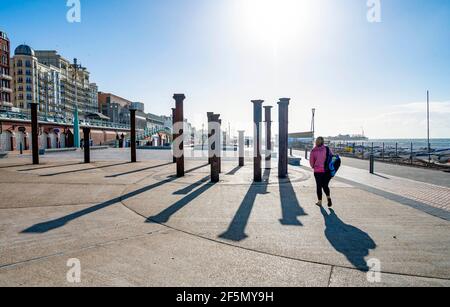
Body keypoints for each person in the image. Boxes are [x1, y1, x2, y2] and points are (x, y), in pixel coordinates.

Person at [310, 137, 333, 207]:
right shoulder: (327, 149)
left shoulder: (314, 150)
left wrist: (314, 166)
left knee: (319, 186)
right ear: (323, 142)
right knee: (325, 185)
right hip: (326, 171)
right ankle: (328, 197)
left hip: (317, 171)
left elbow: (311, 161)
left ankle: (320, 202)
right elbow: (331, 157)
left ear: (316, 142)